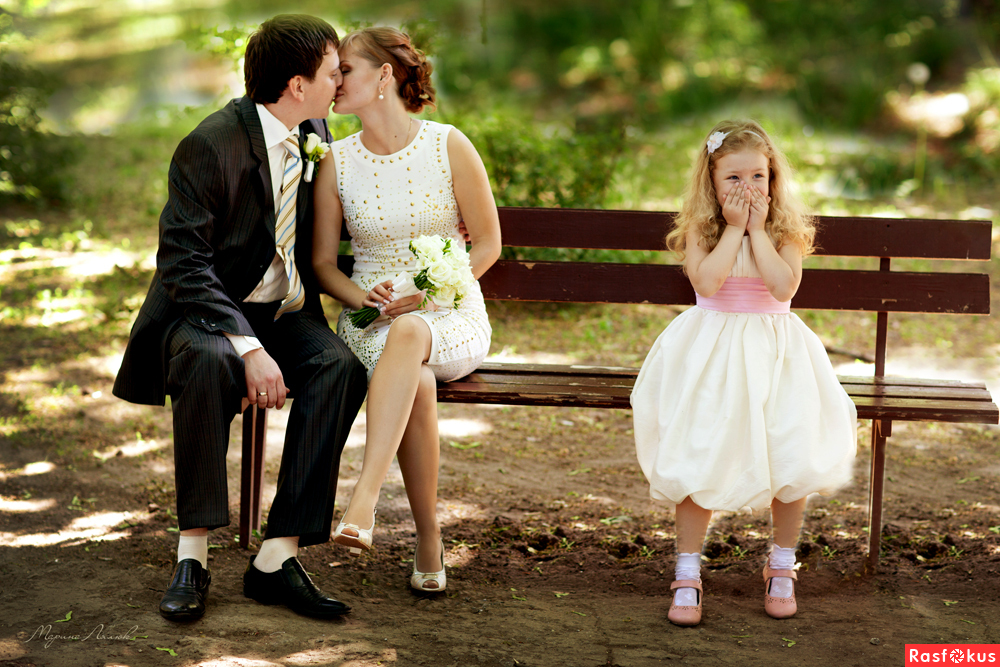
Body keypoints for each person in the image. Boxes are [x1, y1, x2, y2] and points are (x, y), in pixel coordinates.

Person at [112, 14, 368, 621]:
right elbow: (183, 265)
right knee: (205, 362)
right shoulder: (210, 144)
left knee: (340, 367)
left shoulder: (314, 127)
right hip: (208, 312)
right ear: (296, 84)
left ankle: (277, 557)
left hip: (284, 310)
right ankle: (193, 555)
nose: (341, 81)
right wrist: (246, 346)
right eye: (333, 72)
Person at [630, 120, 857, 626]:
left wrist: (756, 230)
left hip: (777, 353)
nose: (748, 188)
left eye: (758, 176)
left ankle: (781, 565)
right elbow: (708, 283)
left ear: (773, 177)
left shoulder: (785, 230)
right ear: (711, 182)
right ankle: (687, 570)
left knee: (789, 449)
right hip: (710, 353)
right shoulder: (701, 228)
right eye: (733, 178)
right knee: (698, 449)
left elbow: (782, 289)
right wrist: (734, 228)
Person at [312, 27, 501, 593]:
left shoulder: (448, 144)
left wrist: (432, 292)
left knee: (414, 330)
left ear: (384, 76)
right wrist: (360, 299)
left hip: (451, 313)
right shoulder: (335, 161)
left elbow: (487, 244)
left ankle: (364, 498)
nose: (336, 81)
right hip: (372, 321)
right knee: (411, 371)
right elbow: (324, 265)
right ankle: (427, 538)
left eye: (345, 69)